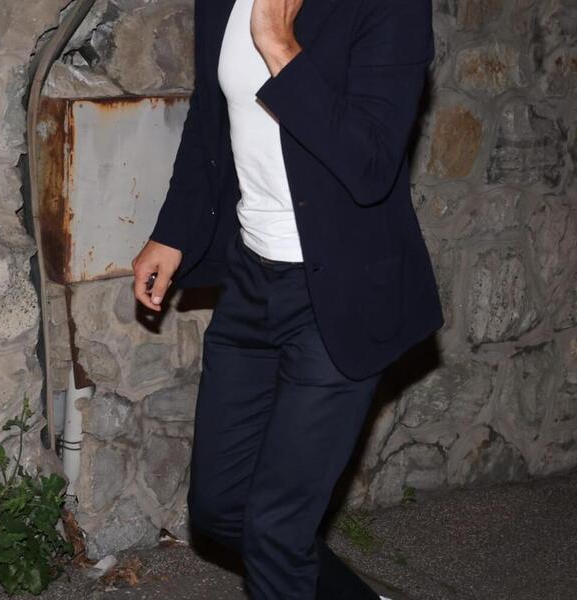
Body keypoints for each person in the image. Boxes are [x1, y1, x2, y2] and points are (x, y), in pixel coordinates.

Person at [132, 0, 444, 597]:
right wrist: (173, 232)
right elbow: (210, 116)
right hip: (251, 278)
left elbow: (371, 165)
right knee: (223, 506)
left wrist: (278, 44)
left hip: (342, 289)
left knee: (276, 528)